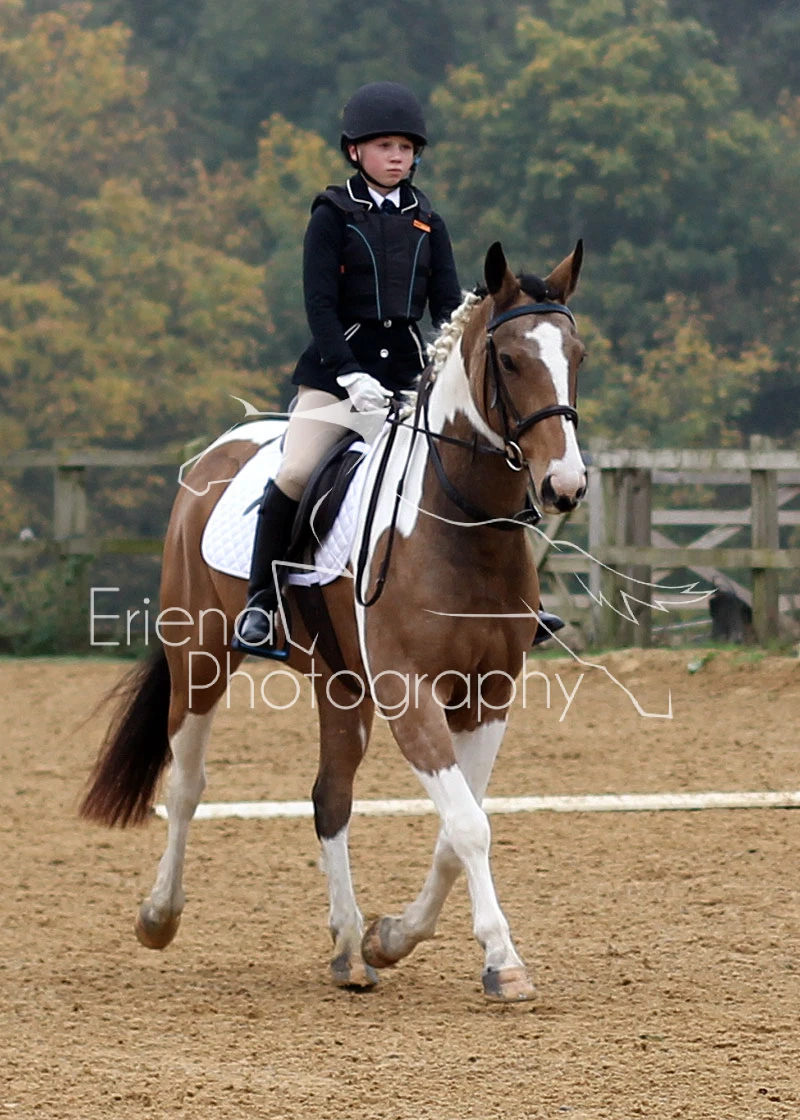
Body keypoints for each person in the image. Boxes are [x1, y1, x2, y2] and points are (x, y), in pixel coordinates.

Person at [232, 80, 564, 657]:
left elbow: (447, 309)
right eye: (384, 146)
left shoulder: (428, 221)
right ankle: (261, 601)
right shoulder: (332, 215)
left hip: (411, 379)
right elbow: (319, 307)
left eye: (406, 148)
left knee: (478, 467)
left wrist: (457, 360)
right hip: (336, 379)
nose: (396, 158)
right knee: (297, 471)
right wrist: (348, 373)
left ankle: (517, 600)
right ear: (355, 151)